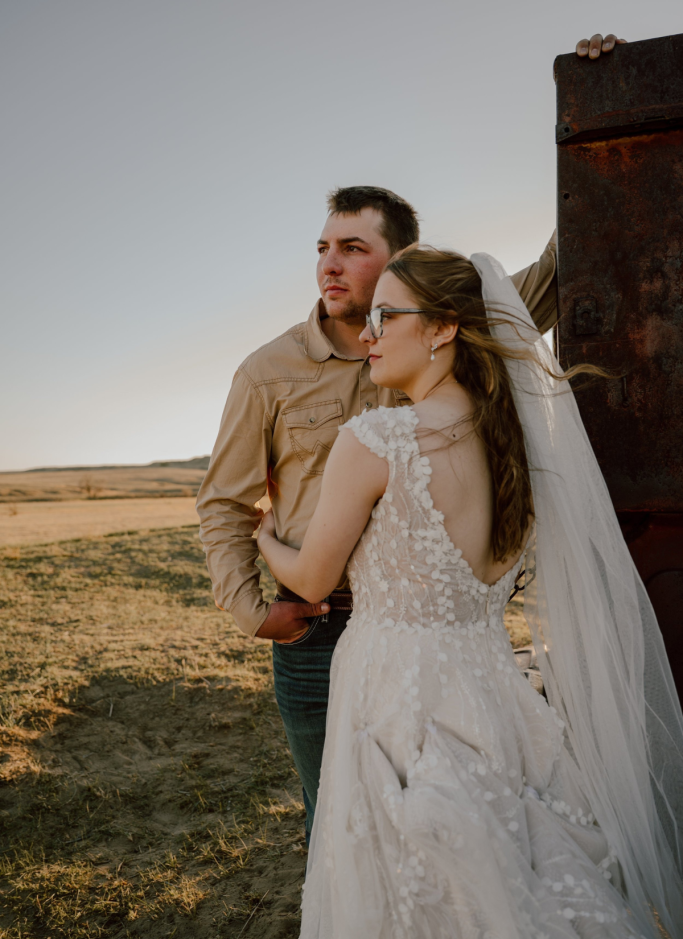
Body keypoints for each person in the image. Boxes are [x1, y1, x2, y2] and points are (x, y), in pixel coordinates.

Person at [196, 36, 627, 844]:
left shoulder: (447, 331)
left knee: (459, 836)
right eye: (322, 246)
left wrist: (604, 108)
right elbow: (222, 502)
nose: (329, 262)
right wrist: (249, 610)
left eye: (352, 248)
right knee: (345, 838)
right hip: (322, 638)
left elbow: (557, 268)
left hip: (444, 636)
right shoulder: (267, 372)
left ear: (401, 268)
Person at [257, 244, 683, 939]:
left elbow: (312, 580)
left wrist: (261, 535)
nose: (369, 333)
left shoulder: (374, 439)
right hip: (493, 694)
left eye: (390, 317)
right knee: (513, 885)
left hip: (394, 698)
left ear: (445, 327)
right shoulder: (513, 445)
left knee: (410, 900)